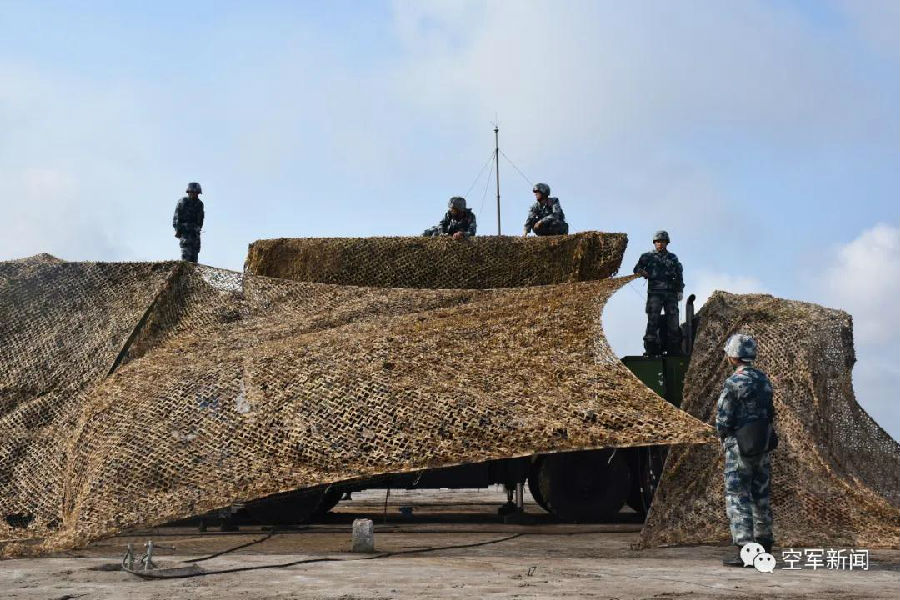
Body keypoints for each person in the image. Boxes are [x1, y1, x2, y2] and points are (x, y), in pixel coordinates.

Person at [716, 334, 776, 567]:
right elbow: (770, 412)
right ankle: (765, 544)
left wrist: (725, 437)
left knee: (737, 496)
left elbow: (723, 418)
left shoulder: (733, 383)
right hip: (762, 443)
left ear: (733, 356)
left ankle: (747, 551)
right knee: (761, 494)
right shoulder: (763, 380)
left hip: (739, 445)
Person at [633, 230, 684, 355]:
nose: (660, 244)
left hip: (671, 293)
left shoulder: (672, 257)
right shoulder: (647, 256)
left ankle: (674, 349)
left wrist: (680, 290)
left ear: (667, 243)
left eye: (662, 241)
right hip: (655, 293)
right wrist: (642, 272)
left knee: (673, 321)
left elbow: (679, 274)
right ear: (654, 243)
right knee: (653, 321)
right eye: (657, 242)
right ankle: (651, 349)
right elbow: (636, 269)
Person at [173, 182, 205, 263]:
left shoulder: (199, 204)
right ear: (189, 192)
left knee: (194, 262)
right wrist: (180, 230)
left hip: (195, 236)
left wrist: (196, 228)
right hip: (186, 236)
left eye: (196, 193)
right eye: (193, 192)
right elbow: (176, 220)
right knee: (186, 262)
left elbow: (200, 221)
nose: (195, 194)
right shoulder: (182, 202)